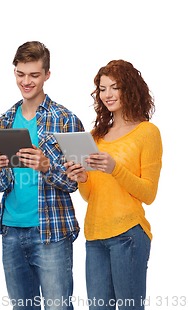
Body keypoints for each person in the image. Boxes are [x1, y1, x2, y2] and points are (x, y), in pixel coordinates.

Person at [0, 41, 84, 310]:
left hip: (50, 231)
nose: (26, 81)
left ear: (47, 75)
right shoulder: (3, 121)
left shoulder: (66, 119)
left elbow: (76, 181)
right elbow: (2, 185)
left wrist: (46, 167)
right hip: (12, 231)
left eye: (34, 75)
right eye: (20, 74)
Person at [65, 59, 162, 310]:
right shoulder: (95, 136)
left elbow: (149, 193)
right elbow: (91, 195)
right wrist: (82, 178)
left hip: (128, 235)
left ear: (129, 89)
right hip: (95, 236)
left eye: (114, 87)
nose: (107, 94)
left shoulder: (147, 132)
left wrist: (115, 169)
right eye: (102, 88)